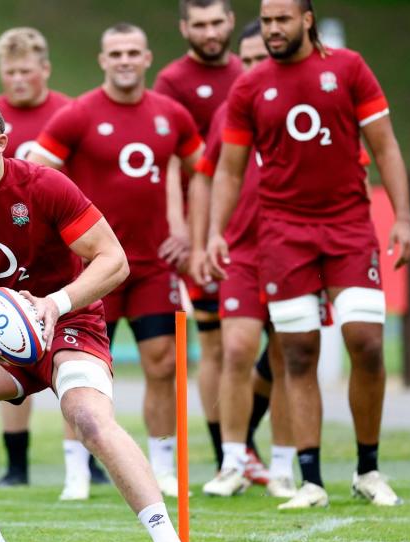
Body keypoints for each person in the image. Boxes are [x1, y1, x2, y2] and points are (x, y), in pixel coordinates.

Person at [0, 98, 199, 542]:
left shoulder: (44, 187)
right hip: (5, 341)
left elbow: (113, 260)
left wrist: (53, 304)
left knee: (88, 417)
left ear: (1, 144)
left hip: (70, 324)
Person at [206, 0, 410, 509]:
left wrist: (404, 218)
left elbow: (385, 147)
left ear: (307, 20)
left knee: (365, 341)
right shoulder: (250, 87)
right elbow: (229, 170)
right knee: (297, 352)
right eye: (267, 20)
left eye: (282, 20)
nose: (273, 29)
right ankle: (312, 480)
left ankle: (368, 469)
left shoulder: (349, 68)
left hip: (348, 227)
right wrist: (216, 231)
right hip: (282, 234)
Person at [29, 23, 204, 499]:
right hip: (93, 268)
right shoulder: (77, 115)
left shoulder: (172, 115)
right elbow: (34, 171)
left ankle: (163, 464)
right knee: (76, 366)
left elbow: (204, 171)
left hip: (152, 265)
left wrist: (189, 229)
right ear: (102, 60)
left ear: (147, 58)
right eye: (115, 53)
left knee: (163, 364)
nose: (124, 60)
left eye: (133, 52)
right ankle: (76, 471)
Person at [154, 0, 272, 484]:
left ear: (230, 22)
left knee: (276, 346)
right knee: (217, 346)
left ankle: (245, 445)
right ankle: (231, 454)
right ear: (185, 28)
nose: (208, 31)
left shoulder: (260, 67)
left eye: (215, 21)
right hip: (208, 233)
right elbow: (171, 162)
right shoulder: (173, 82)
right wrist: (185, 232)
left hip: (266, 227)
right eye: (197, 24)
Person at [0, 27, 107, 488]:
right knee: (10, 350)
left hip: (59, 252)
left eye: (26, 70)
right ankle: (16, 466)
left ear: (44, 69)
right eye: (9, 71)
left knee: (68, 354)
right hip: (2, 256)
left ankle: (86, 459)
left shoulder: (68, 113)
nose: (18, 79)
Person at [188, 19, 297, 498]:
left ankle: (286, 465)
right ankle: (232, 460)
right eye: (246, 61)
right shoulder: (229, 111)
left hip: (293, 246)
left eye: (261, 59)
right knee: (235, 350)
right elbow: (206, 176)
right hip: (240, 250)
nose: (253, 68)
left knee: (287, 356)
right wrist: (206, 238)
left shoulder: (302, 105)